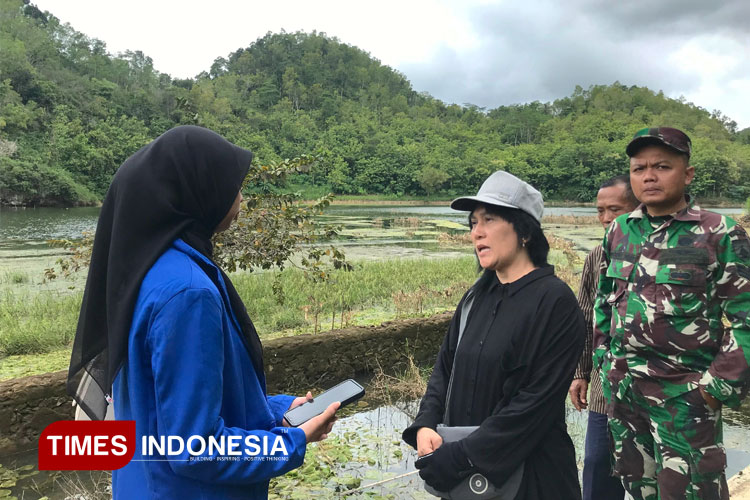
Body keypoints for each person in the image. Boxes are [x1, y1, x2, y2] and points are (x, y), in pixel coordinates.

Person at [66, 125, 339, 499]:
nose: (241, 196)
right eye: (232, 185)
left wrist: (278, 408)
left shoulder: (149, 270)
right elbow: (195, 449)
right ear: (197, 192)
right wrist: (290, 441)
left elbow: (164, 404)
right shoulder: (188, 292)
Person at [403, 170, 585, 500]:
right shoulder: (477, 297)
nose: (477, 233)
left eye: (489, 219)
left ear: (524, 231)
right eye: (473, 223)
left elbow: (533, 404)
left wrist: (461, 457)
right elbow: (445, 369)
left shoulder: (555, 302)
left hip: (533, 480)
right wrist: (425, 424)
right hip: (469, 481)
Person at [593, 127, 750, 499]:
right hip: (627, 395)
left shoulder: (719, 234)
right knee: (639, 489)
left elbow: (747, 320)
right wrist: (603, 359)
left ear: (688, 173)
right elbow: (604, 303)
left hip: (684, 400)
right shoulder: (619, 230)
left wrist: (715, 389)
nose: (648, 176)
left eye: (662, 166)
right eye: (639, 168)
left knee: (693, 493)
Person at [568, 175, 638, 500]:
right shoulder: (597, 257)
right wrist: (580, 373)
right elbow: (586, 318)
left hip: (651, 391)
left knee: (652, 475)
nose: (607, 218)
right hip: (603, 388)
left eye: (615, 209)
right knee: (597, 467)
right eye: (600, 211)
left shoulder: (659, 254)